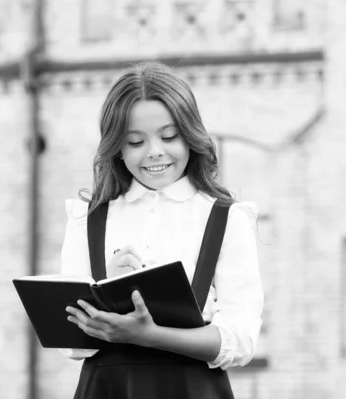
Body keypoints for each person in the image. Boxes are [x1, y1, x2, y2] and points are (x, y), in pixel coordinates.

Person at [60, 61, 263, 399]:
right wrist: (104, 290)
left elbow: (240, 341)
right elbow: (71, 347)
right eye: (135, 141)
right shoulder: (88, 218)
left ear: (190, 135)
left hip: (192, 389)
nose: (155, 151)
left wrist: (148, 334)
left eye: (169, 136)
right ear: (117, 149)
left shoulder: (226, 218)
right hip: (107, 389)